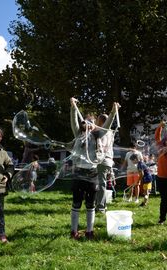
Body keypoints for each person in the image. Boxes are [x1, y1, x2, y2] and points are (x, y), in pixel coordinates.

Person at [69, 97, 119, 240]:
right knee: (77, 203)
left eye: (92, 122)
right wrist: (73, 107)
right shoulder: (78, 134)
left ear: (94, 126)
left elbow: (107, 126)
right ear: (84, 124)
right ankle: (74, 231)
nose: (89, 123)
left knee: (90, 204)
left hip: (92, 173)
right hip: (79, 173)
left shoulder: (98, 135)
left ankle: (89, 231)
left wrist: (113, 112)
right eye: (87, 121)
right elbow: (73, 121)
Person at [95, 106, 120, 214]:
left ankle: (100, 207)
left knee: (100, 184)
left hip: (103, 160)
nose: (95, 122)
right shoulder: (110, 132)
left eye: (97, 120)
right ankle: (101, 206)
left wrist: (113, 112)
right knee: (101, 184)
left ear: (101, 122)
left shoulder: (103, 131)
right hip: (107, 160)